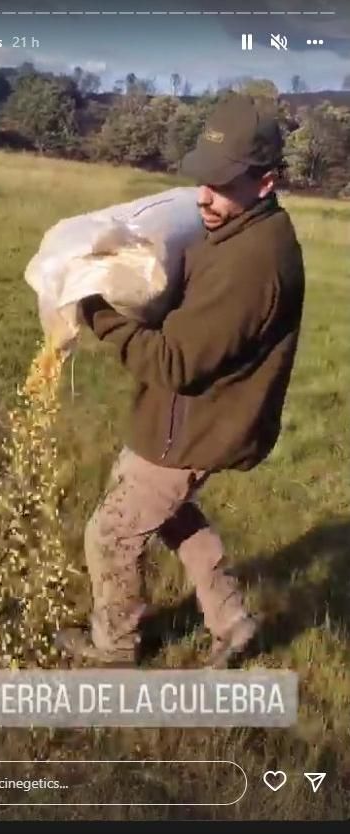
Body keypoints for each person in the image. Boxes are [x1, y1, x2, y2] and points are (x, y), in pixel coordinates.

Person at [55, 93, 305, 668]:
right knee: (173, 516)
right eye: (203, 180)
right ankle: (232, 621)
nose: (204, 197)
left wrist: (96, 310)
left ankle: (115, 648)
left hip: (194, 425)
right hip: (188, 418)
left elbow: (174, 363)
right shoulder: (241, 229)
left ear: (266, 182)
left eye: (223, 185)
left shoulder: (254, 263)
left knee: (110, 533)